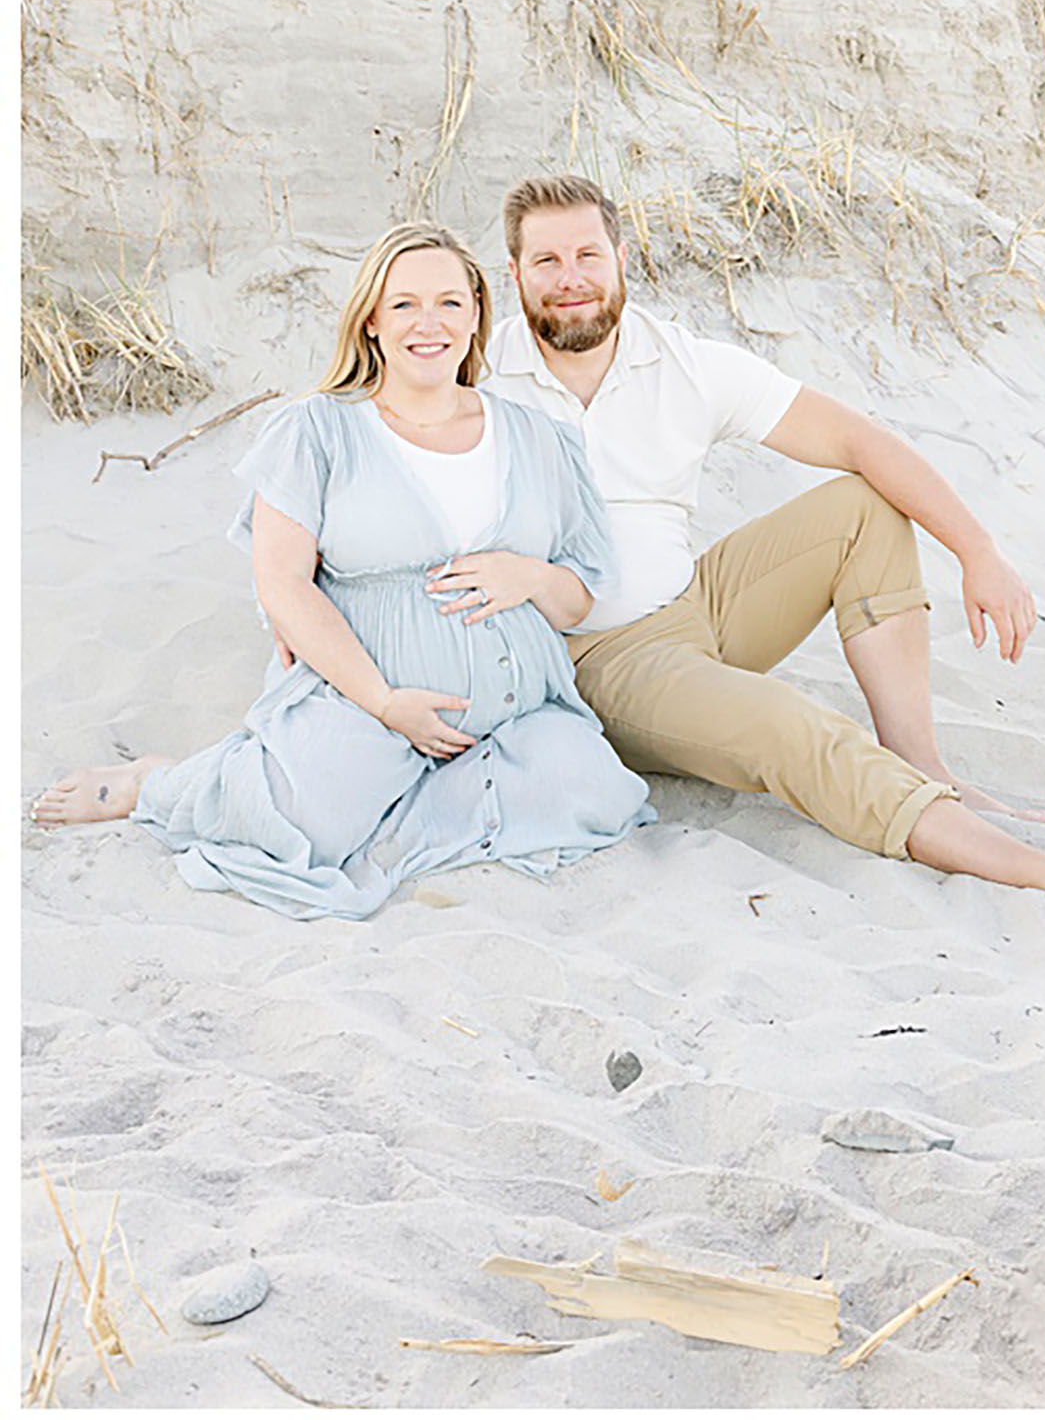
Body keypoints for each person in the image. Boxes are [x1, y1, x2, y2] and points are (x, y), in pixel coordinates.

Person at [480, 175, 1045, 924]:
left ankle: (920, 762)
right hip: (605, 654)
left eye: (588, 255)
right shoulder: (484, 376)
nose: (571, 280)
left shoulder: (684, 364)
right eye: (547, 262)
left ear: (623, 257)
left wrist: (978, 552)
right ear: (515, 274)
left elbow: (860, 438)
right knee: (789, 726)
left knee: (864, 504)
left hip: (696, 603)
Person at [32, 224, 654, 917]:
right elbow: (284, 584)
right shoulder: (319, 430)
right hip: (366, 701)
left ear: (478, 312)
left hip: (514, 716)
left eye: (451, 302)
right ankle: (154, 783)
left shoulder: (539, 437)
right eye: (405, 305)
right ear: (371, 322)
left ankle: (389, 821)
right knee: (301, 822)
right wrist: (388, 702)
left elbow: (576, 597)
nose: (430, 323)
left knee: (595, 791)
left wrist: (529, 575)